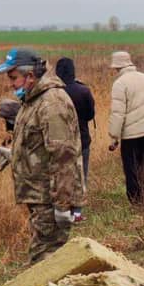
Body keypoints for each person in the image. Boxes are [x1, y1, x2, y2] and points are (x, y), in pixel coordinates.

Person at [0, 47, 84, 264]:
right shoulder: (34, 100)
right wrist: (14, 155)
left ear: (30, 76)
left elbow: (63, 155)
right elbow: (40, 145)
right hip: (40, 198)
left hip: (50, 199)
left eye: (13, 77)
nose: (10, 83)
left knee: (44, 263)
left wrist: (62, 204)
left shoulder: (51, 104)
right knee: (44, 262)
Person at [108, 51, 144, 205]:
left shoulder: (120, 84)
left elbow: (117, 113)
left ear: (117, 67)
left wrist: (114, 136)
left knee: (131, 167)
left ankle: (136, 201)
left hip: (130, 136)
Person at [55, 58, 95, 222]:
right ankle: (77, 213)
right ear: (73, 71)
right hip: (82, 141)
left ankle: (61, 212)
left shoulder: (54, 93)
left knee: (60, 176)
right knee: (80, 176)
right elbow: (90, 115)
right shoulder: (83, 91)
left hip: (59, 141)